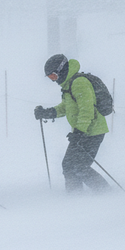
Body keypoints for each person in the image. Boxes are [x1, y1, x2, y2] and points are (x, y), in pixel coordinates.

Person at [34, 54, 110, 193]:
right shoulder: (69, 84)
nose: (53, 81)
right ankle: (75, 197)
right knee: (70, 165)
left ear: (61, 70)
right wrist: (48, 112)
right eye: (50, 78)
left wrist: (79, 132)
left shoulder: (79, 83)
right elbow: (65, 107)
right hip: (83, 132)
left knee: (79, 166)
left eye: (53, 76)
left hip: (93, 132)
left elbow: (87, 110)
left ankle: (105, 193)